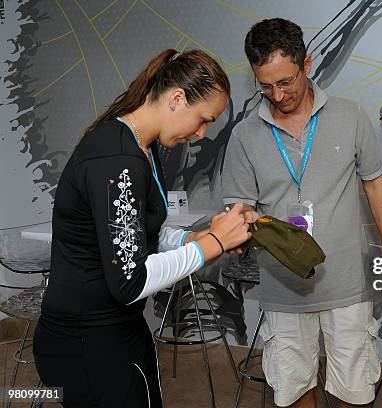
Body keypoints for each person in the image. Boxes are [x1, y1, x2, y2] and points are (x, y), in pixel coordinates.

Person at [33, 49, 252, 407]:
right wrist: (211, 243)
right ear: (177, 98)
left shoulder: (142, 148)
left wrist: (190, 239)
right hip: (87, 341)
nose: (201, 134)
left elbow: (139, 231)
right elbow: (129, 282)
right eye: (202, 120)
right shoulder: (117, 158)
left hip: (117, 331)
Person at [222, 18, 382, 408]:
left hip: (347, 284)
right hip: (283, 287)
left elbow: (374, 181)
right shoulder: (245, 135)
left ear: (307, 64)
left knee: (354, 389)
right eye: (265, 85)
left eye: (286, 82)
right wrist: (239, 225)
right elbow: (240, 206)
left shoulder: (350, 115)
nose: (278, 95)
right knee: (294, 389)